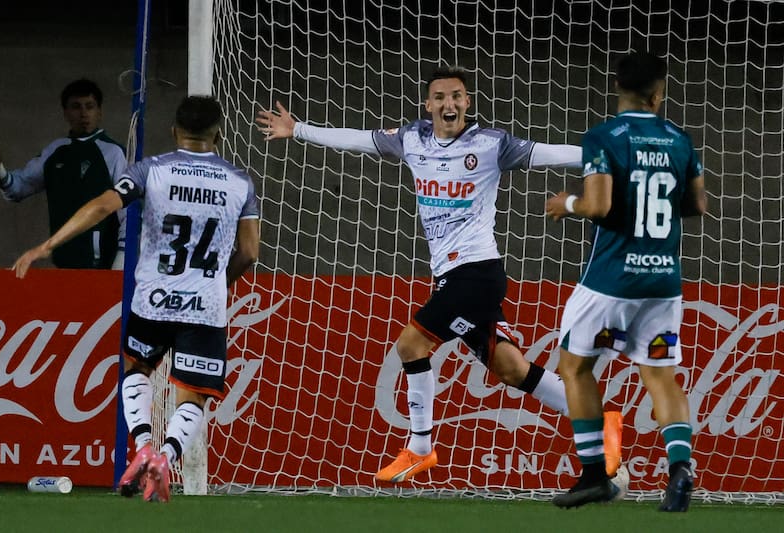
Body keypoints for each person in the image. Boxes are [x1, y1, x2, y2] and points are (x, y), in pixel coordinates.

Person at [256, 67, 622, 484]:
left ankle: (420, 447)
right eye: (440, 97)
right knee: (511, 368)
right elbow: (360, 139)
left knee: (411, 346)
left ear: (467, 103)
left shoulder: (491, 144)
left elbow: (547, 152)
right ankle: (600, 416)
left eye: (457, 97)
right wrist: (299, 129)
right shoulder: (412, 138)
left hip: (478, 274)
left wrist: (601, 153)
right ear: (428, 105)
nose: (449, 104)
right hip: (449, 276)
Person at [13, 95, 261, 503]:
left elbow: (100, 207)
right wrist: (216, 284)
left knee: (137, 368)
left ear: (173, 131)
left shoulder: (152, 170)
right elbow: (250, 252)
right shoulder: (240, 182)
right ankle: (165, 458)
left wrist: (47, 245)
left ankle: (143, 445)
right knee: (193, 394)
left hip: (153, 300)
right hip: (206, 305)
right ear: (219, 133)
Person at [545, 51, 707, 511]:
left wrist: (567, 205)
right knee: (660, 374)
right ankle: (680, 470)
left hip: (610, 283)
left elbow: (596, 206)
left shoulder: (603, 137)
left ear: (619, 89)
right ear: (658, 94)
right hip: (662, 283)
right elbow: (698, 205)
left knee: (575, 367)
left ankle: (595, 473)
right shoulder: (680, 139)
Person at [0, 78, 127, 269]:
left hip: (104, 264)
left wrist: (122, 258)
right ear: (66, 113)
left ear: (100, 111)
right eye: (76, 107)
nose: (84, 113)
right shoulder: (54, 151)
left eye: (90, 106)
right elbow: (18, 188)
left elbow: (129, 208)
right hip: (63, 262)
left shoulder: (114, 152)